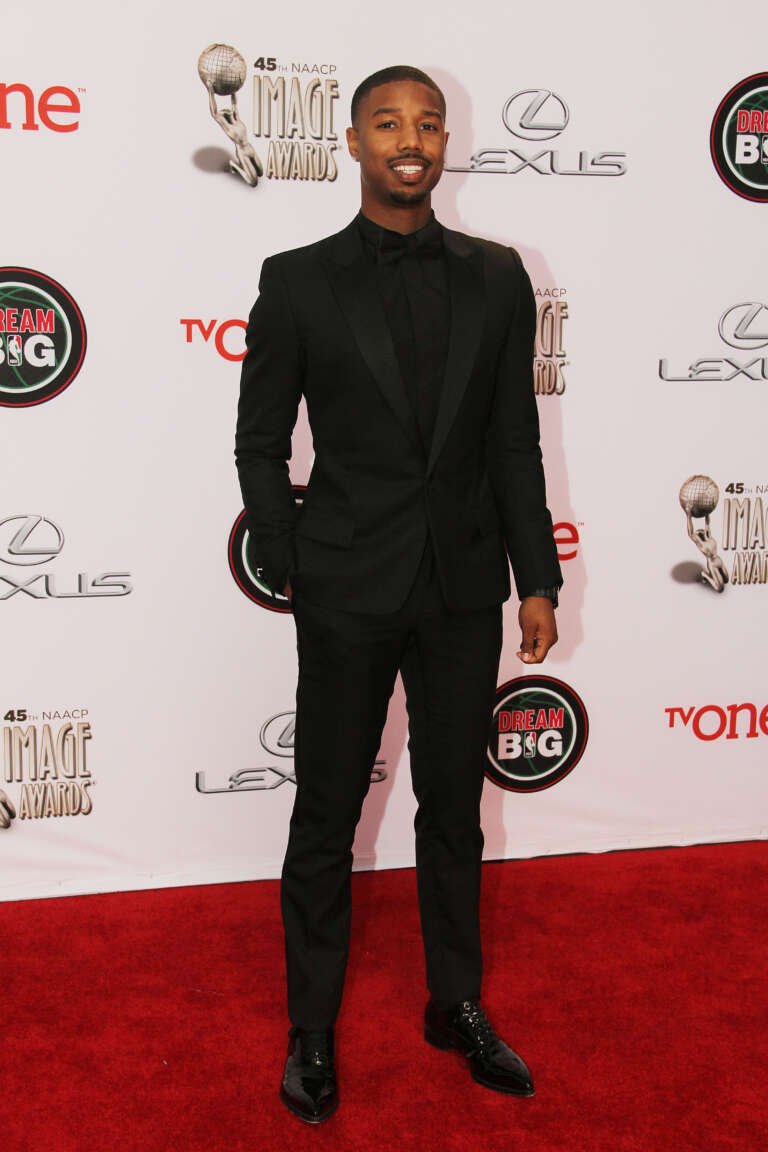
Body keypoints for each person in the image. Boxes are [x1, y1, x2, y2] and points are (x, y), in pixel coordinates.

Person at [235, 65, 562, 1125]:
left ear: (445, 142)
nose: (410, 139)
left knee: (454, 810)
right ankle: (311, 1028)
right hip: (347, 583)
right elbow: (258, 441)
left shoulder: (498, 277)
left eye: (428, 123)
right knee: (327, 812)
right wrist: (291, 556)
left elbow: (514, 440)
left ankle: (454, 1003)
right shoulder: (298, 281)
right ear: (353, 141)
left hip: (463, 585)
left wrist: (536, 578)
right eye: (388, 122)